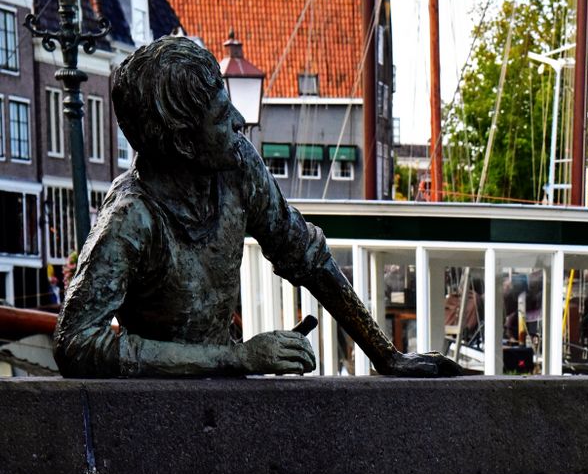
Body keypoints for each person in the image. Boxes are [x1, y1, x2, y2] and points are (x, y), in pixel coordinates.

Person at [54, 36, 460, 379]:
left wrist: (386, 357)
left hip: (224, 394)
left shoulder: (237, 164)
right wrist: (238, 357)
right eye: (219, 114)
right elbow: (75, 341)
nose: (239, 119)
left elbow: (304, 252)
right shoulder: (130, 218)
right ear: (182, 142)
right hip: (155, 414)